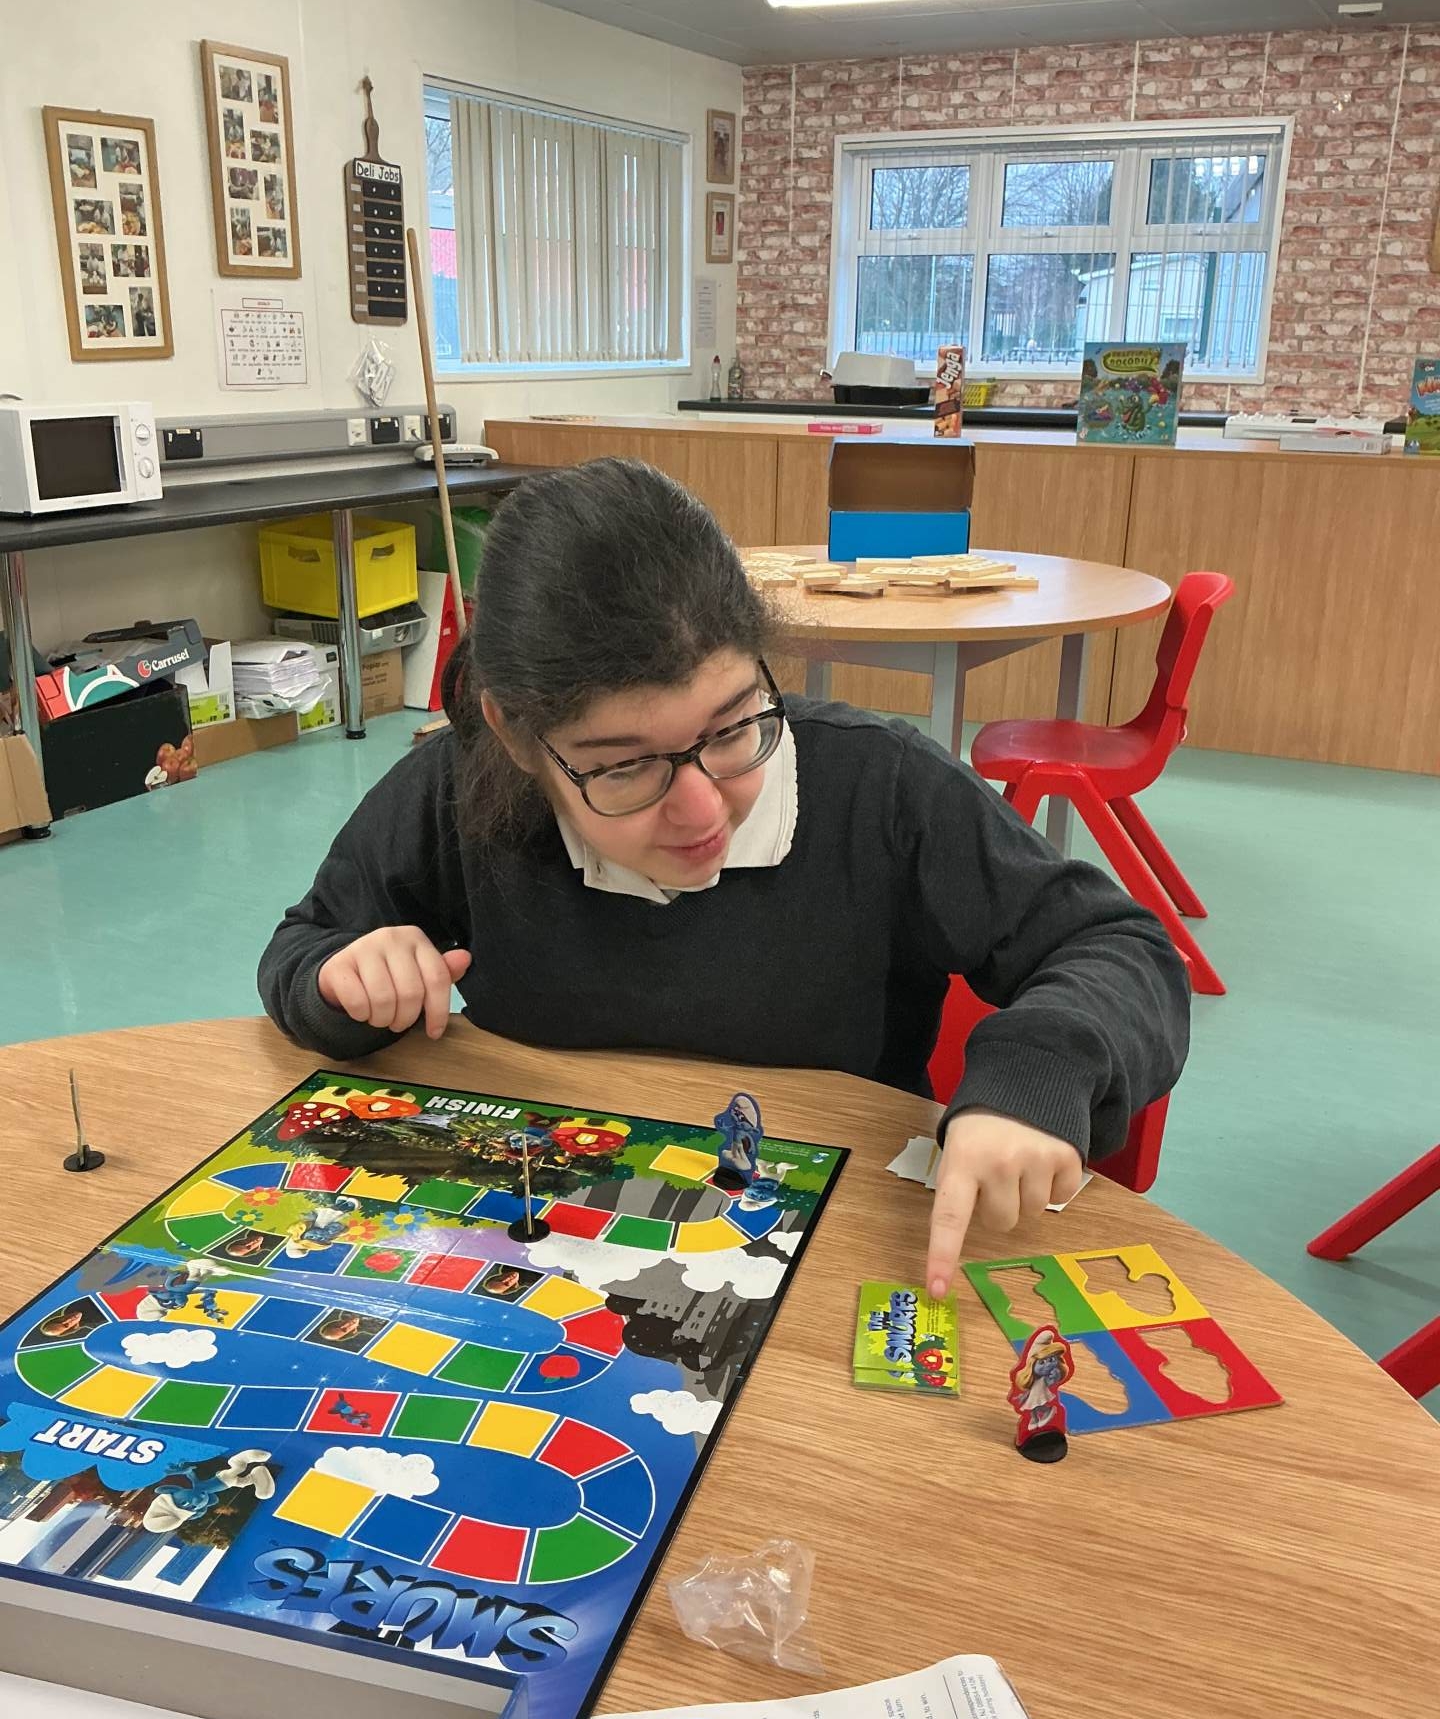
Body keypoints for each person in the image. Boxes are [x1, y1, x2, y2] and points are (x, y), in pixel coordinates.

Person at [259, 458, 1189, 1296]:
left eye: (734, 725)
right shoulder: (455, 788)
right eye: (625, 766)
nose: (703, 808)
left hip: (830, 1254)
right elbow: (308, 950)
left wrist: (1038, 1071)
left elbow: (1119, 947)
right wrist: (347, 981)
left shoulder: (881, 787)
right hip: (539, 1247)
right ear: (514, 735)